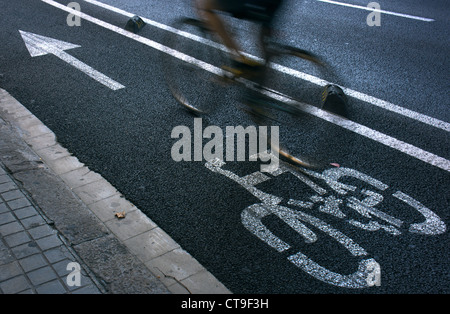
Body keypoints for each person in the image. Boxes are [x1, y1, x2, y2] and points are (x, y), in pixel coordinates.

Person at [195, 0, 284, 76]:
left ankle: (238, 57)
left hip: (254, 4)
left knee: (206, 7)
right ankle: (263, 72)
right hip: (273, 4)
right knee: (263, 36)